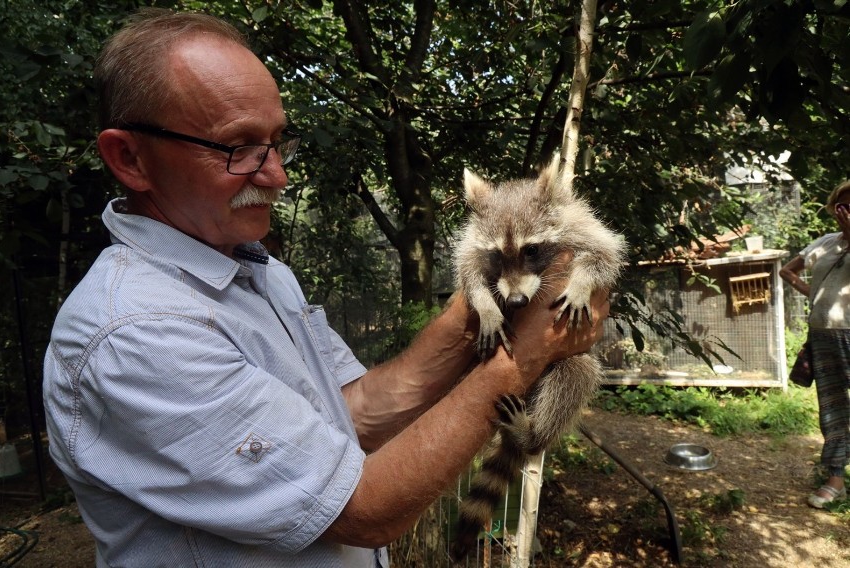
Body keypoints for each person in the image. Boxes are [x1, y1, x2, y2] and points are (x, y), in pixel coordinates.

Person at [42, 8, 610, 567]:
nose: (277, 175)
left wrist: (477, 315)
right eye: (236, 148)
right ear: (129, 158)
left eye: (277, 142)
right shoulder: (135, 333)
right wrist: (528, 354)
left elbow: (351, 413)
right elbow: (358, 510)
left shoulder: (259, 272)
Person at [780, 180, 850, 509]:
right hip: (823, 336)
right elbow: (787, 271)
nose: (848, 211)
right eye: (843, 205)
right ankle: (836, 478)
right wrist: (816, 295)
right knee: (833, 408)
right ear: (834, 209)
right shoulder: (824, 243)